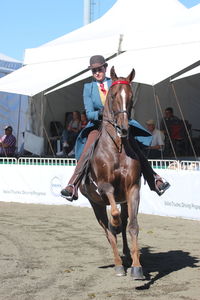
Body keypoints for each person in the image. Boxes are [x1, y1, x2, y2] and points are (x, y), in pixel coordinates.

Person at [61, 55, 170, 201]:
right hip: (99, 124)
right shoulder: (88, 88)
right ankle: (72, 185)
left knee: (135, 147)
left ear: (105, 68)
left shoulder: (115, 82)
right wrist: (102, 113)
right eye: (94, 71)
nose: (97, 73)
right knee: (87, 149)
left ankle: (155, 179)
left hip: (120, 122)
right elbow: (89, 113)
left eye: (99, 69)